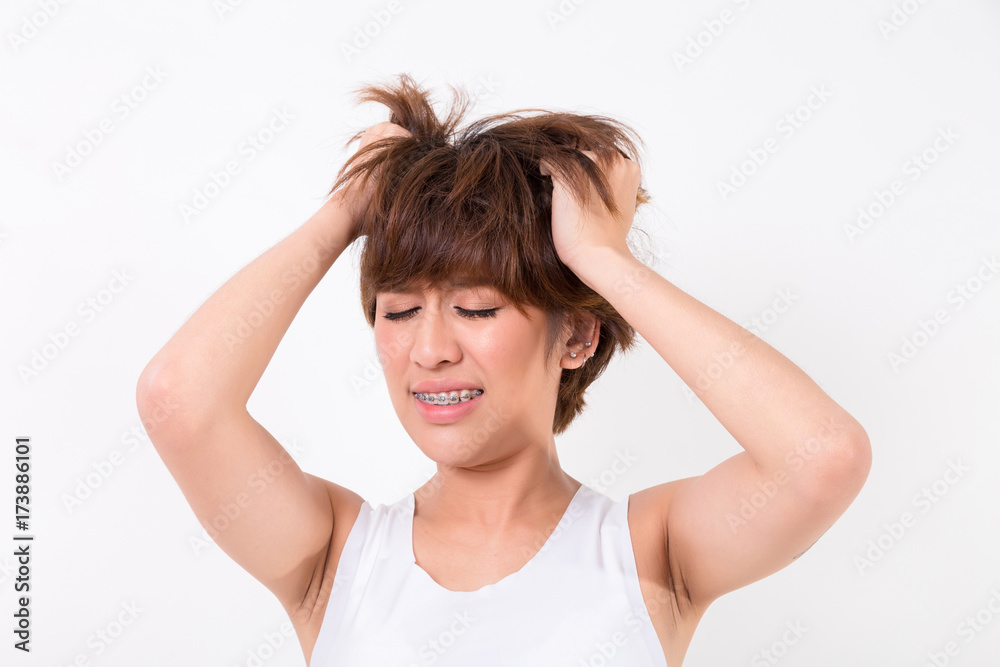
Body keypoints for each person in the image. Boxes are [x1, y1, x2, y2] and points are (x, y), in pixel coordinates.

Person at [136, 73, 871, 666]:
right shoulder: (332, 555)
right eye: (397, 312)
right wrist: (350, 208)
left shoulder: (652, 552)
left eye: (478, 309)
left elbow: (822, 457)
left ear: (577, 335)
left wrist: (601, 260)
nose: (430, 350)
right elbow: (179, 401)